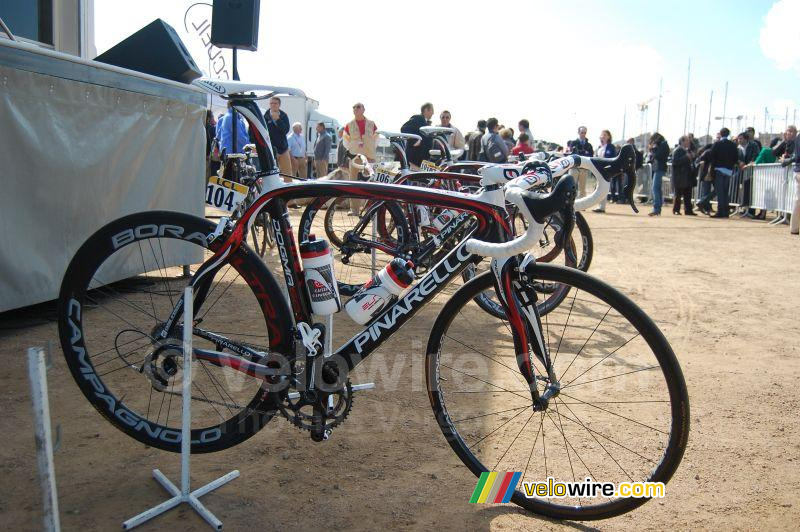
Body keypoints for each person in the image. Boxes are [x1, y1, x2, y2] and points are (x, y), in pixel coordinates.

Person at [343, 102, 378, 214]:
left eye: (358, 107)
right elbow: (345, 141)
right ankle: (354, 209)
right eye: (354, 107)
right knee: (353, 182)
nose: (355, 109)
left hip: (369, 157)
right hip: (355, 156)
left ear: (364, 109)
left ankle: (369, 209)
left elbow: (376, 139)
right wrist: (353, 150)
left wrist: (369, 149)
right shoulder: (349, 125)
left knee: (370, 182)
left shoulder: (372, 124)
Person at [705, 127, 739, 218]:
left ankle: (720, 211)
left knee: (720, 192)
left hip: (719, 169)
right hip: (728, 170)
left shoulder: (717, 144)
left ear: (721, 134)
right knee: (725, 191)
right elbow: (736, 157)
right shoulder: (733, 145)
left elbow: (712, 155)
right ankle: (726, 212)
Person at [263, 96, 292, 181]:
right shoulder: (265, 116)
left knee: (287, 174)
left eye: (275, 103)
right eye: (271, 103)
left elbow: (285, 130)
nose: (273, 105)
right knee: (271, 174)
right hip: (270, 149)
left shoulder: (283, 115)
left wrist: (278, 120)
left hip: (283, 149)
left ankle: (289, 192)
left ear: (279, 105)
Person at [401, 102, 434, 169]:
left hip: (423, 159)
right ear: (426, 110)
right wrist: (416, 140)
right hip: (415, 158)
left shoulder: (426, 123)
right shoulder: (418, 118)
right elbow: (404, 128)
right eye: (432, 110)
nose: (433, 113)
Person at [592, 130, 618, 213]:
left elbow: (612, 158)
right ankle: (599, 205)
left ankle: (602, 207)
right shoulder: (599, 147)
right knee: (598, 188)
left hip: (606, 171)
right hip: (598, 170)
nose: (603, 136)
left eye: (605, 135)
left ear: (608, 137)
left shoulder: (611, 147)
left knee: (603, 188)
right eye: (602, 135)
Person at [671, 136, 696, 215]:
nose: (689, 143)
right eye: (687, 141)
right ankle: (676, 210)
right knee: (678, 194)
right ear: (682, 141)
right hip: (680, 176)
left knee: (688, 194)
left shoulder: (687, 150)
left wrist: (692, 157)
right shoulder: (677, 150)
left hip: (687, 176)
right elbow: (675, 162)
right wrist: (686, 157)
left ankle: (688, 210)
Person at [567, 126, 593, 196]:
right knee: (571, 187)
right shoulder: (573, 143)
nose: (583, 134)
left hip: (583, 169)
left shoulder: (589, 145)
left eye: (585, 133)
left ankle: (582, 205)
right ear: (578, 133)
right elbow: (571, 154)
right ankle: (569, 204)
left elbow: (591, 156)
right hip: (574, 168)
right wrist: (584, 153)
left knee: (582, 189)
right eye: (582, 132)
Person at [648, 132, 669, 216]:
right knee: (657, 188)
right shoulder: (663, 145)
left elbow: (658, 155)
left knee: (655, 188)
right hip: (658, 168)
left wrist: (653, 149)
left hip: (660, 168)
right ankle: (658, 208)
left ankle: (656, 208)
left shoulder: (663, 145)